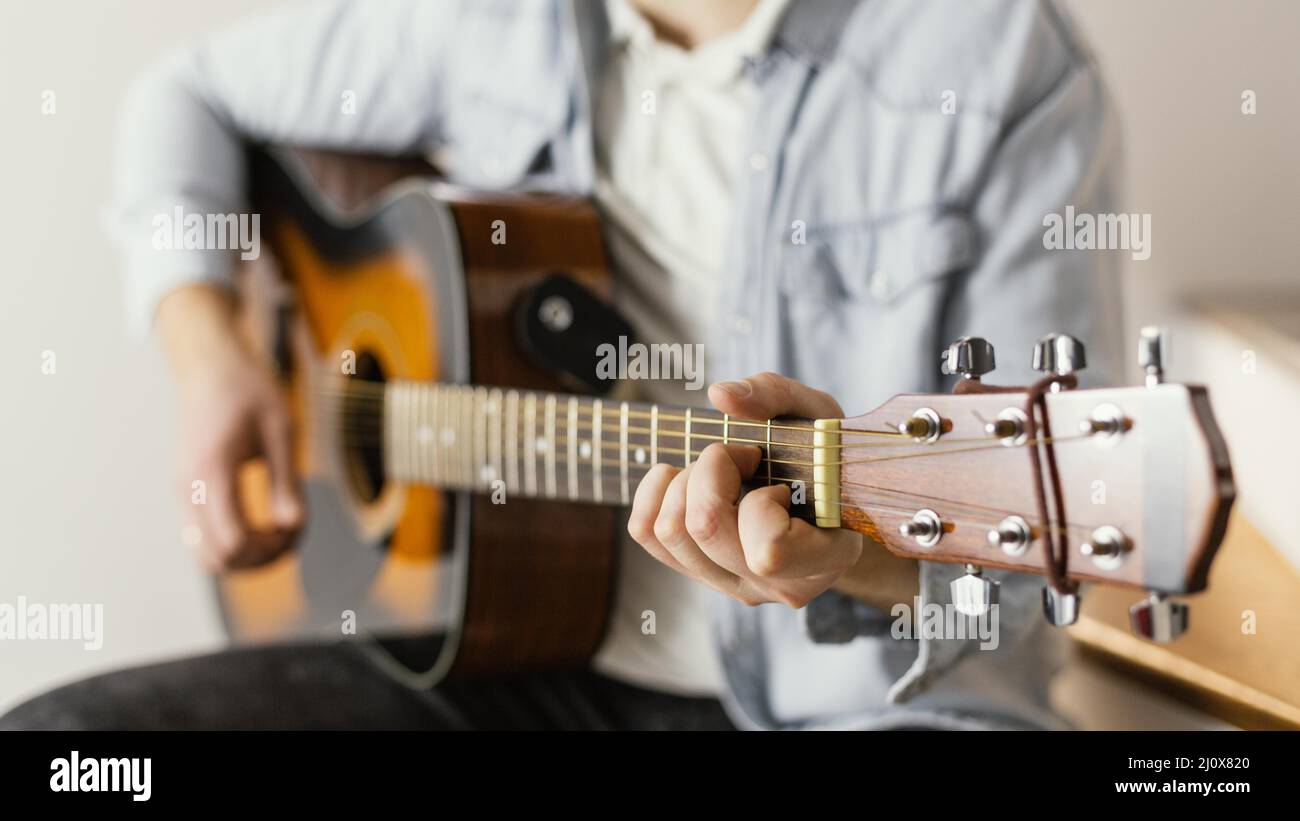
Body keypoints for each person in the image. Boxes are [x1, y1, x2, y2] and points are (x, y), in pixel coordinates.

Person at [1, 0, 1122, 730]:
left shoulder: (998, 63)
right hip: (508, 663)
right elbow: (183, 96)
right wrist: (210, 357)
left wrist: (855, 564)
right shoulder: (486, 22)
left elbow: (1026, 559)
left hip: (861, 703)